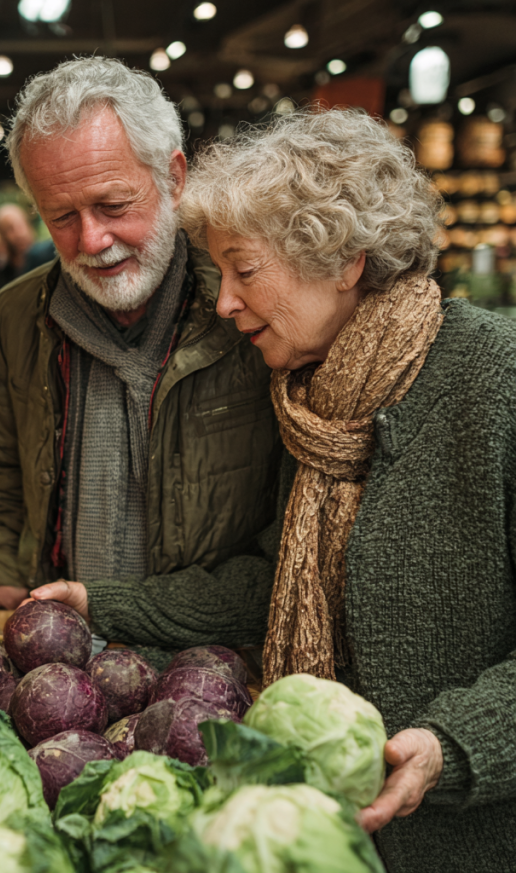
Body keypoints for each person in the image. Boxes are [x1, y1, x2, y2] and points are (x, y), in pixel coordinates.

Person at [180, 107, 516, 873]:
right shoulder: (310, 402)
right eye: (217, 273)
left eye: (244, 268)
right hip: (321, 842)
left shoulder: (495, 380)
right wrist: (98, 602)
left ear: (344, 261)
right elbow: (271, 582)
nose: (225, 301)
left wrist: (449, 746)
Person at [0, 57, 281, 660]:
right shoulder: (13, 318)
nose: (92, 242)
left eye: (113, 205)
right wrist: (2, 569)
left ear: (174, 177)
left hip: (216, 663)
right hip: (64, 662)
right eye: (61, 216)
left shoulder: (249, 308)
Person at [0, 202, 56, 281]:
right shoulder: (2, 270)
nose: (19, 234)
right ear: (2, 236)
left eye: (20, 225)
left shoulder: (49, 255)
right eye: (9, 229)